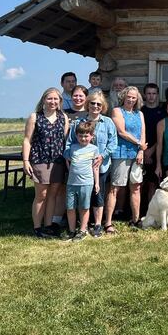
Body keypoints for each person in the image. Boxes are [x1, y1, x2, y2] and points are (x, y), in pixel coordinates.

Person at [66, 89, 117, 237]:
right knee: (81, 196)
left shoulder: (107, 122)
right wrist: (69, 157)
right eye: (93, 103)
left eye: (99, 104)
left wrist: (103, 156)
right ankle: (82, 225)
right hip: (80, 168)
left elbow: (113, 143)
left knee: (98, 194)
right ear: (88, 104)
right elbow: (69, 143)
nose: (95, 106)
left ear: (103, 107)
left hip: (99, 166)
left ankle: (98, 224)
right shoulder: (78, 123)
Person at [22, 87, 69, 238]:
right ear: (43, 100)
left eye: (56, 99)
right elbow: (27, 140)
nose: (53, 102)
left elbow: (65, 141)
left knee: (53, 195)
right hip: (40, 160)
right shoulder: (35, 117)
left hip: (58, 161)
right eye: (50, 98)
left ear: (60, 101)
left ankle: (48, 225)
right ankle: (37, 227)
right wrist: (26, 160)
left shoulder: (63, 118)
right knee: (41, 195)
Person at [106, 86, 146, 233]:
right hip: (121, 153)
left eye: (134, 97)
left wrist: (141, 150)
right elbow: (121, 131)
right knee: (115, 187)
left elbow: (143, 133)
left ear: (137, 99)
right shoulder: (117, 111)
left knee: (136, 187)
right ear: (124, 96)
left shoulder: (139, 114)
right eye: (128, 96)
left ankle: (135, 220)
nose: (131, 99)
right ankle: (108, 222)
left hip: (136, 155)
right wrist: (138, 143)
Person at [62, 120, 100, 242]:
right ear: (76, 136)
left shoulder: (94, 149)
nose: (83, 138)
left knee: (84, 207)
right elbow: (67, 160)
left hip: (86, 183)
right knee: (70, 207)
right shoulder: (72, 148)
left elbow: (96, 167)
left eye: (86, 136)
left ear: (91, 136)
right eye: (80, 136)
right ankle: (72, 230)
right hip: (71, 183)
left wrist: (97, 183)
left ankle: (83, 230)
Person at [140, 83, 166, 207]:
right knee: (138, 183)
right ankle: (137, 212)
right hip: (140, 151)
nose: (151, 96)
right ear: (145, 95)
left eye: (154, 93)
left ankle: (149, 211)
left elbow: (163, 136)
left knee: (152, 183)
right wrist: (143, 151)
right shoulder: (139, 112)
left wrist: (151, 151)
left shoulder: (163, 113)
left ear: (157, 95)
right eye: (149, 93)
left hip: (156, 152)